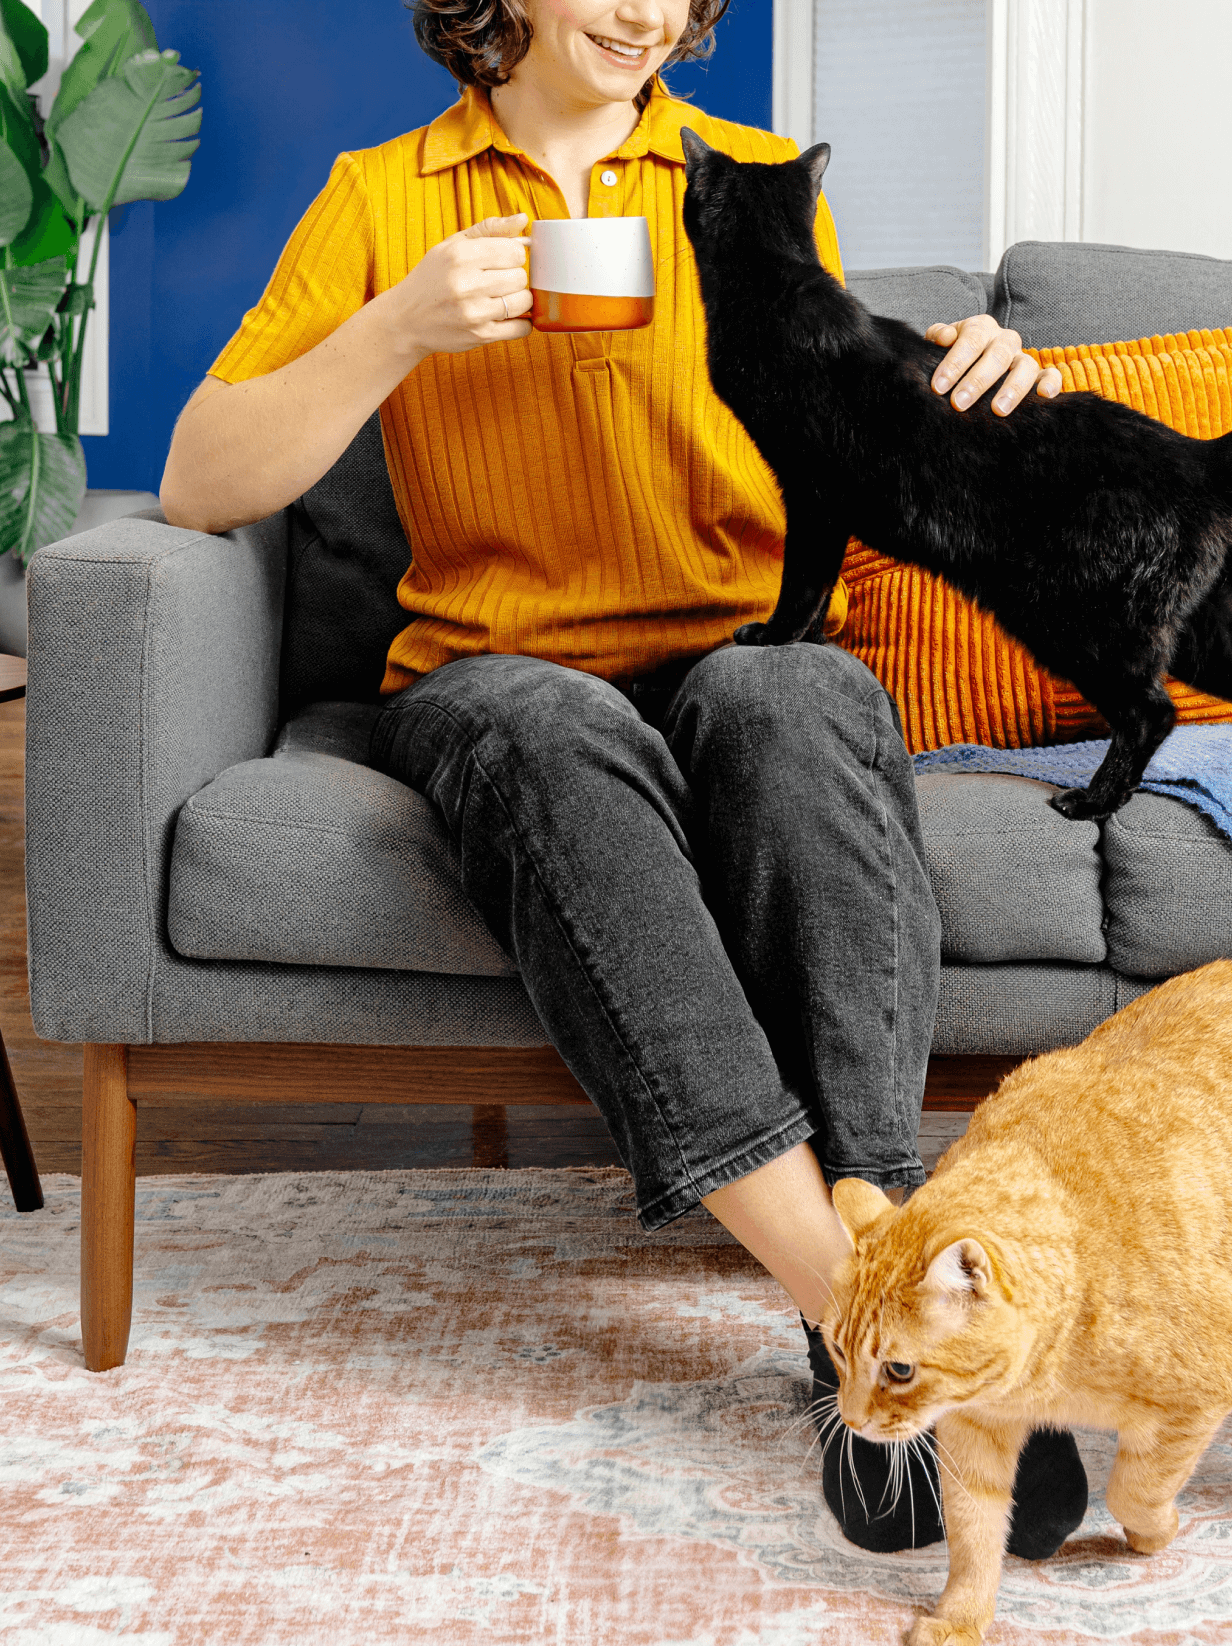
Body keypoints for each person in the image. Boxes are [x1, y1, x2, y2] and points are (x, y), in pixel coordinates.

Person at [160, 0, 1085, 1556]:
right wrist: (397, 329)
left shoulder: (753, 176)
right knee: (552, 731)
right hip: (495, 674)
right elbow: (198, 479)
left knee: (793, 699)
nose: (648, 9)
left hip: (735, 649)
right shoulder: (385, 197)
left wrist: (975, 382)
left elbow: (841, 418)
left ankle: (875, 1290)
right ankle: (867, 1307)